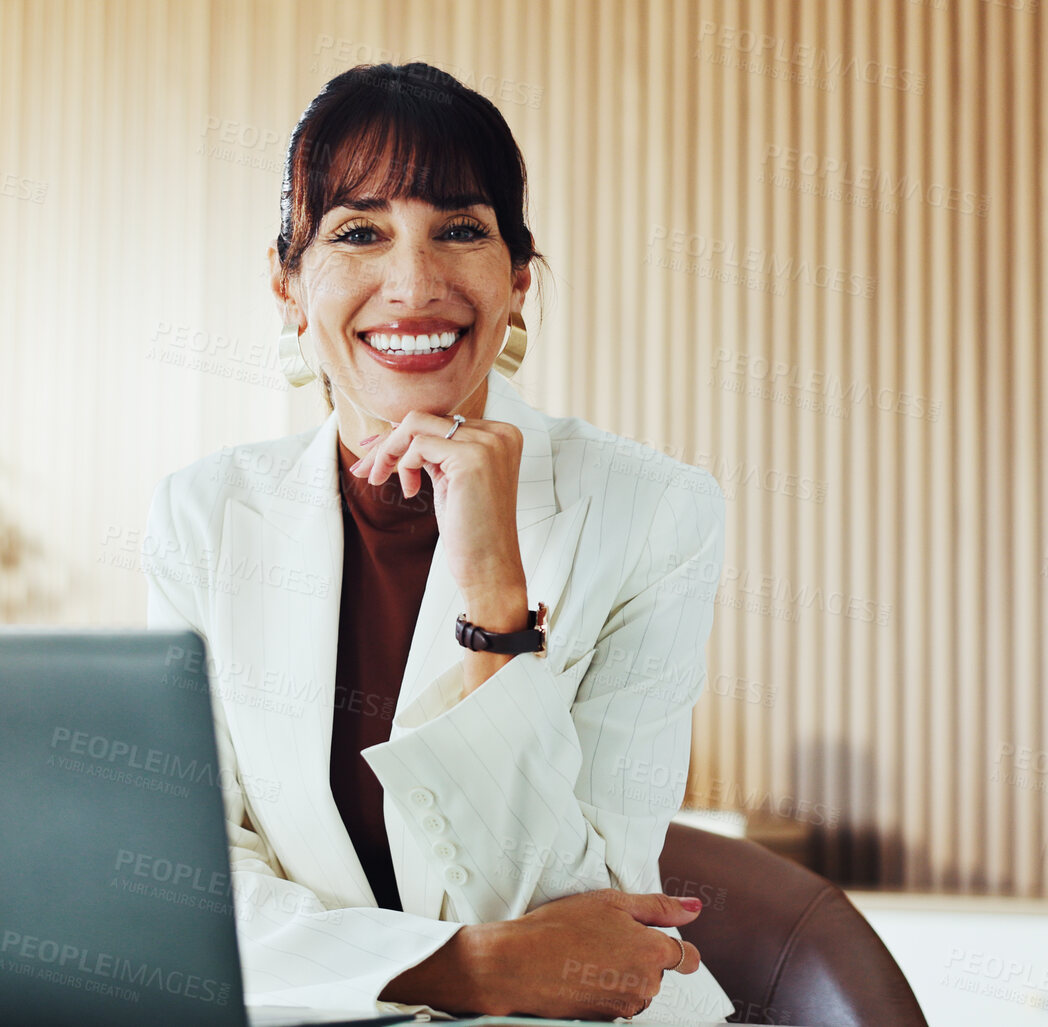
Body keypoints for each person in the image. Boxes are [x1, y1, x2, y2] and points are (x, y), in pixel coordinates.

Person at [143, 61, 734, 1023]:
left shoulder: (655, 511)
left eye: (459, 230)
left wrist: (493, 592)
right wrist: (466, 971)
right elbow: (188, 893)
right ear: (287, 285)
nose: (412, 285)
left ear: (515, 281)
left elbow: (585, 929)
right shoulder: (205, 516)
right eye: (358, 233)